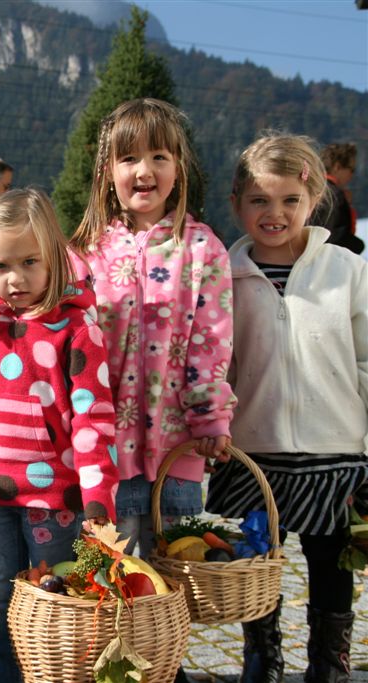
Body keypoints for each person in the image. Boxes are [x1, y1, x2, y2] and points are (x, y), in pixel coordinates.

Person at [206, 134, 367, 683]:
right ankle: (262, 658)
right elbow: (217, 364)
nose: (274, 213)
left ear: (314, 199)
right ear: (236, 203)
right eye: (259, 200)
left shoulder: (347, 270)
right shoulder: (223, 277)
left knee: (331, 564)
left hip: (334, 449)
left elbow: (367, 360)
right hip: (256, 452)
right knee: (257, 565)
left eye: (289, 200)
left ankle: (328, 664)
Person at [0, 188, 118, 683]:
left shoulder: (76, 329)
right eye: (0, 266)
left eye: (29, 262)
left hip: (54, 497)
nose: (15, 278)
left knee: (52, 598)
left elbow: (93, 418)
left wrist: (98, 496)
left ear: (54, 257)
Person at [69, 98, 236, 559]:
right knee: (112, 581)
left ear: (178, 168)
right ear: (107, 171)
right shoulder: (85, 253)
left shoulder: (203, 249)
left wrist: (211, 418)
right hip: (105, 455)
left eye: (159, 156)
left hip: (178, 448)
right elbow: (70, 349)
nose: (144, 170)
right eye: (129, 158)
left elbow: (212, 343)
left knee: (176, 580)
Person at [310, 142, 364, 254]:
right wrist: (358, 245)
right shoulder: (335, 195)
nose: (351, 175)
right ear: (337, 167)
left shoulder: (311, 188)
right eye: (351, 169)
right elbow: (337, 237)